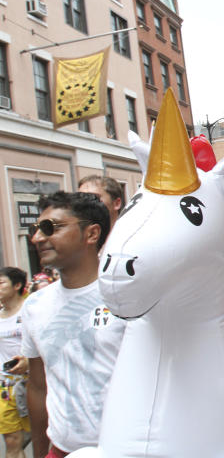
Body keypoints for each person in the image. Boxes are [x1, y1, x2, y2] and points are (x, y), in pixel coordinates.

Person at [22, 191, 125, 457]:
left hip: (127, 448)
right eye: (36, 229)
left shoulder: (128, 296)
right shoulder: (34, 306)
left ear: (91, 234)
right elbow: (37, 385)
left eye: (50, 228)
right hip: (62, 449)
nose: (37, 238)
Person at [0, 267, 29, 458]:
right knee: (11, 442)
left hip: (33, 384)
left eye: (1, 283)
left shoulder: (32, 309)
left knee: (44, 434)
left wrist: (28, 361)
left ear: (17, 285)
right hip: (5, 387)